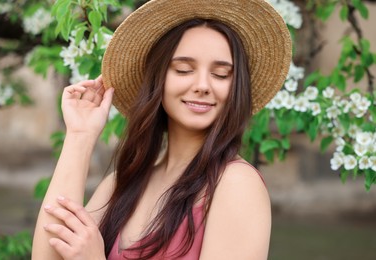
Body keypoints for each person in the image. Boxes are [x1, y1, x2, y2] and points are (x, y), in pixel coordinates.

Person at [32, 0, 291, 259]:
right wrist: (80, 136)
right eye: (184, 69)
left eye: (221, 74)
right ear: (158, 78)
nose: (202, 85)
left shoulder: (236, 184)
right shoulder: (123, 183)